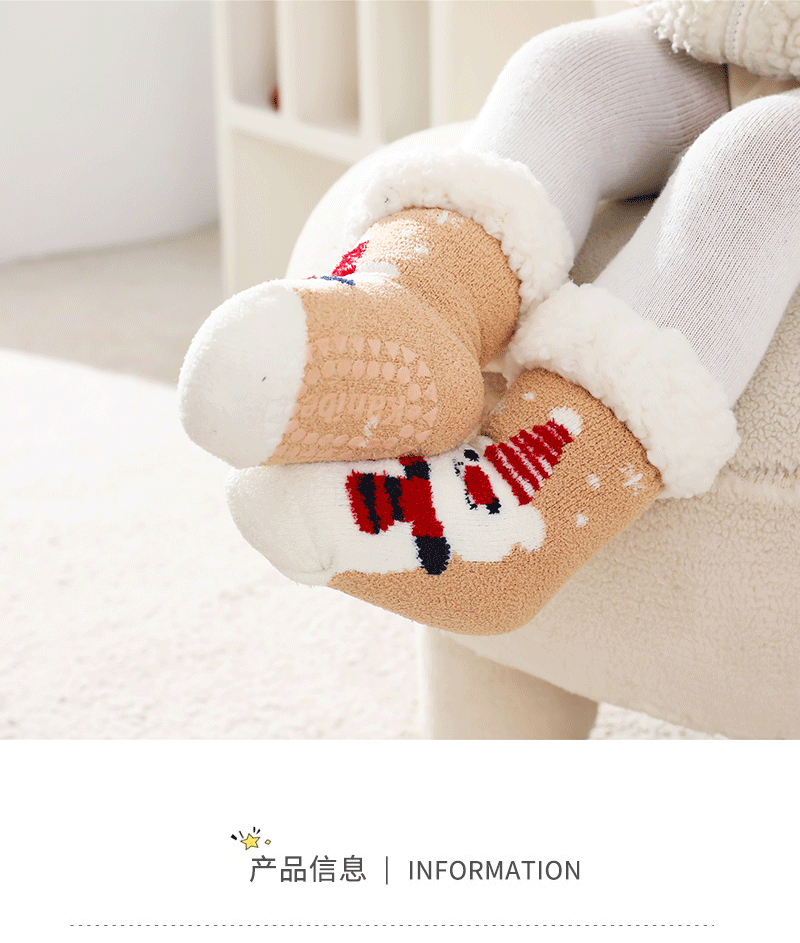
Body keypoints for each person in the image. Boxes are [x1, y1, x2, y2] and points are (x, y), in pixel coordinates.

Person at [179, 2, 800, 635]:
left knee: (758, 157)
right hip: (737, 36)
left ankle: (520, 513)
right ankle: (418, 301)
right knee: (562, 70)